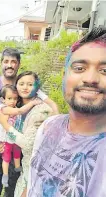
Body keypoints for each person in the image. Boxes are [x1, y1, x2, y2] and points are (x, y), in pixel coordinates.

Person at [24, 27, 106, 196]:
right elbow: (34, 182)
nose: (90, 79)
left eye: (104, 71)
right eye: (79, 68)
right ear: (64, 76)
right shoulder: (48, 127)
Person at [0, 48, 59, 197]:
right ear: (1, 63)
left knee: (15, 177)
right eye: (6, 61)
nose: (9, 65)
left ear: (18, 64)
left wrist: (55, 118)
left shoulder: (24, 84)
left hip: (21, 141)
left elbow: (51, 104)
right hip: (0, 138)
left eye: (13, 62)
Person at [0, 71, 53, 197]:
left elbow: (27, 144)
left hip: (34, 167)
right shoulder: (16, 105)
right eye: (21, 84)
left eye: (30, 84)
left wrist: (6, 125)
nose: (25, 87)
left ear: (37, 87)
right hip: (18, 160)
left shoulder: (41, 110)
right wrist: (1, 142)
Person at [0, 84, 42, 187]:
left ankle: (18, 167)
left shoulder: (12, 107)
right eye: (9, 98)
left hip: (12, 136)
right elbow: (20, 111)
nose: (12, 101)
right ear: (3, 99)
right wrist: (33, 102)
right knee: (7, 156)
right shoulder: (4, 108)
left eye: (15, 98)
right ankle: (5, 176)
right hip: (4, 138)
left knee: (17, 150)